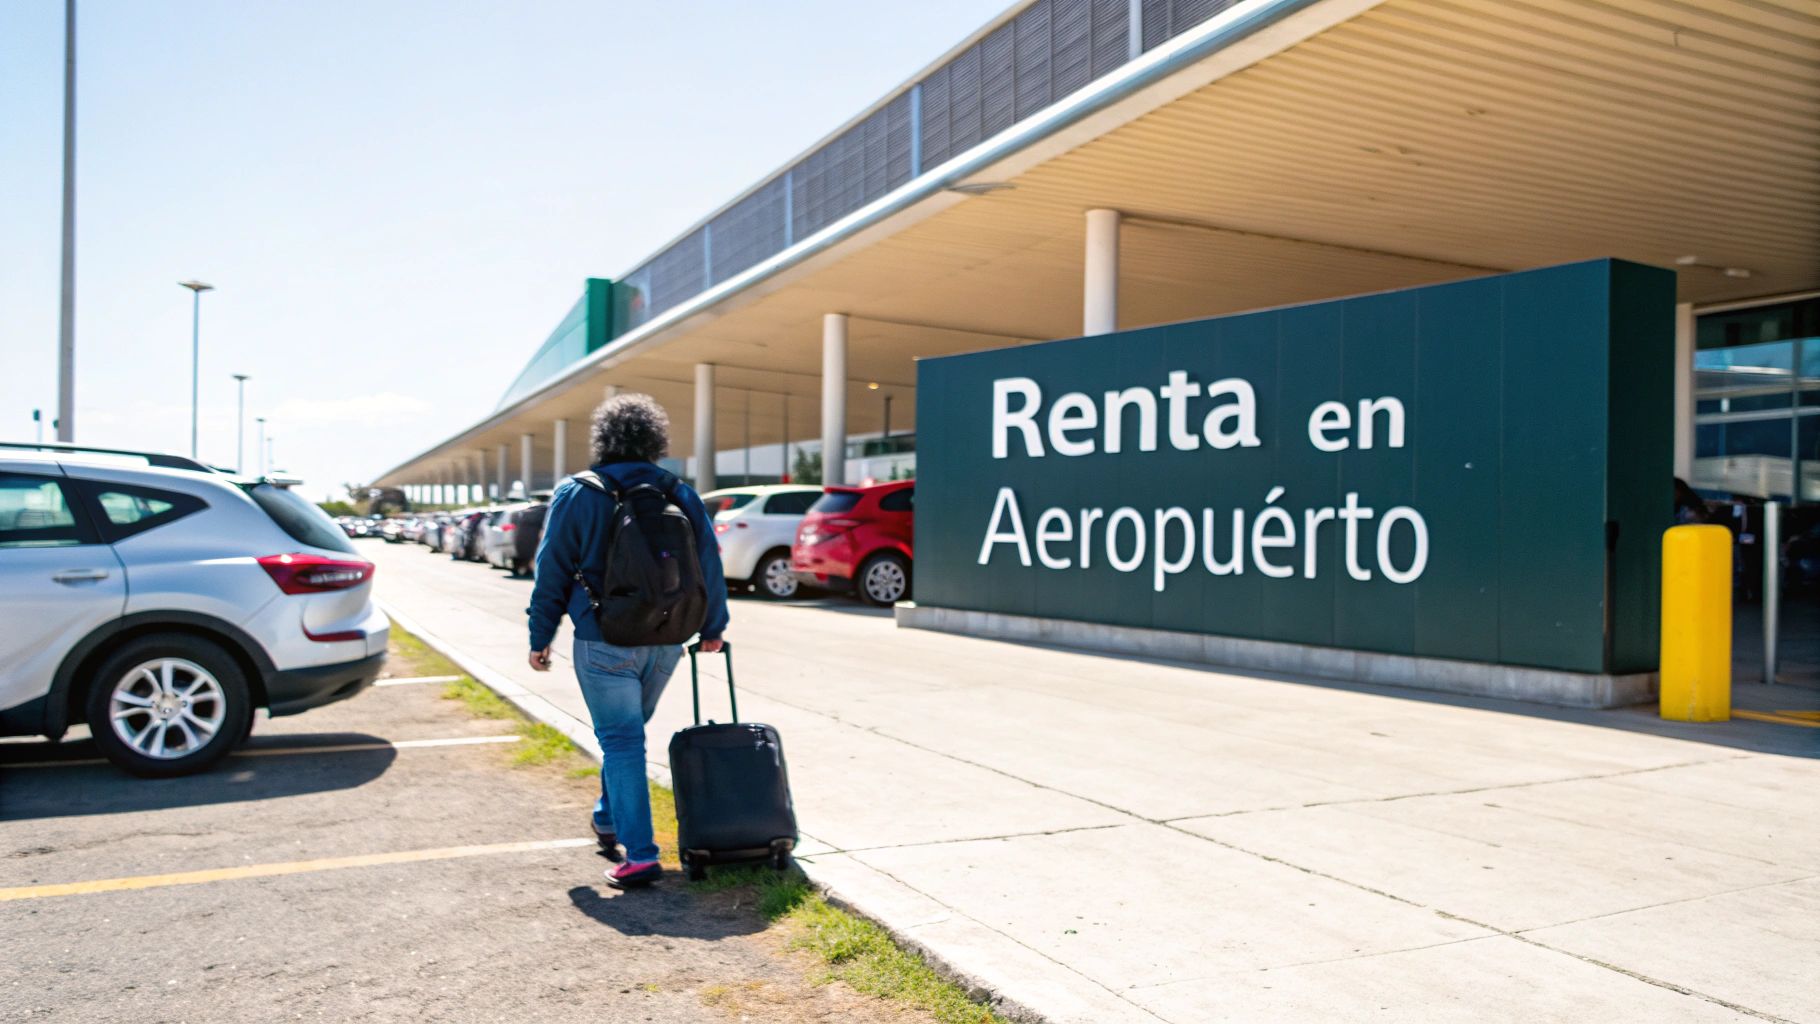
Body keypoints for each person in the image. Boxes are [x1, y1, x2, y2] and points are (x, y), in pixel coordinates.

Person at [526, 393, 729, 889]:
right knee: (627, 740)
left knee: (621, 742)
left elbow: (551, 569)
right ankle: (608, 817)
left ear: (603, 438)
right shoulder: (679, 492)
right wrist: (714, 628)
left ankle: (639, 854)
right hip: (666, 640)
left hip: (603, 638)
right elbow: (709, 563)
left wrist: (541, 635)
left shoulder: (577, 493)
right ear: (654, 439)